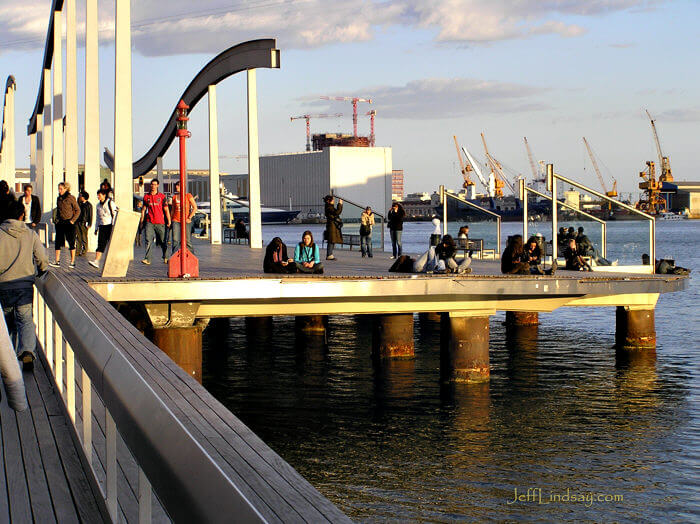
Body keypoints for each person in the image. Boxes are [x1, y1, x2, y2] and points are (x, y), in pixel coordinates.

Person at [0, 200, 49, 371]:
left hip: (3, 285)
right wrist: (42, 271)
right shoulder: (30, 234)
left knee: (6, 324)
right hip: (24, 285)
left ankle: (7, 358)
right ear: (22, 215)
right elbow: (42, 258)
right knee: (25, 320)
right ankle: (27, 351)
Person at [140, 179, 171, 265]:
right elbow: (143, 210)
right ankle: (147, 259)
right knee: (148, 240)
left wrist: (169, 221)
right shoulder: (146, 197)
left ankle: (166, 257)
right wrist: (142, 221)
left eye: (154, 184)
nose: (153, 186)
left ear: (157, 185)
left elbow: (166, 209)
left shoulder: (161, 197)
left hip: (160, 222)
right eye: (152, 184)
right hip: (149, 222)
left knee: (162, 241)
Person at [49, 182, 80, 268]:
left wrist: (72, 221)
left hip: (69, 223)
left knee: (71, 242)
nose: (59, 190)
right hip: (60, 223)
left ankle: (72, 261)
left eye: (61, 189)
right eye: (58, 189)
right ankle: (57, 261)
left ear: (66, 189)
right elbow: (58, 210)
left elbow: (78, 210)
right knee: (58, 242)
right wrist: (57, 220)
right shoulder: (58, 198)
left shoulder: (71, 198)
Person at [89, 189, 117, 268]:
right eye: (98, 195)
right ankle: (96, 261)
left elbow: (115, 214)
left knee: (111, 245)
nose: (98, 197)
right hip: (102, 226)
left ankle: (113, 262)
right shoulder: (98, 205)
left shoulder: (110, 203)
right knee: (100, 244)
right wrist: (96, 228)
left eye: (100, 195)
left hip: (110, 226)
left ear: (104, 195)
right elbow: (98, 217)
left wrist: (114, 225)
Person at [171, 181, 197, 256]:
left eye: (178, 185)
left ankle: (191, 256)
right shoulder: (174, 197)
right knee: (175, 239)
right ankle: (174, 256)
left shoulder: (188, 196)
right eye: (176, 186)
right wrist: (171, 220)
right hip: (176, 220)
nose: (177, 187)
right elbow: (172, 210)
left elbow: (195, 208)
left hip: (186, 221)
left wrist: (189, 217)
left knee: (187, 240)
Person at [324, 195, 343, 260]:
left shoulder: (329, 207)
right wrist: (340, 204)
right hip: (331, 226)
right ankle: (329, 254)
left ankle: (330, 254)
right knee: (331, 240)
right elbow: (337, 212)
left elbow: (336, 213)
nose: (334, 201)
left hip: (332, 225)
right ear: (329, 201)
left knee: (332, 240)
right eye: (332, 200)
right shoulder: (329, 208)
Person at [76, 191, 93, 257]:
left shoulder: (89, 205)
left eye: (81, 196)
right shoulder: (79, 204)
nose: (79, 197)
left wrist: (89, 223)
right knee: (78, 238)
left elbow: (90, 215)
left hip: (84, 223)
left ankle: (84, 251)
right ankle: (77, 251)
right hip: (78, 222)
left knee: (84, 238)